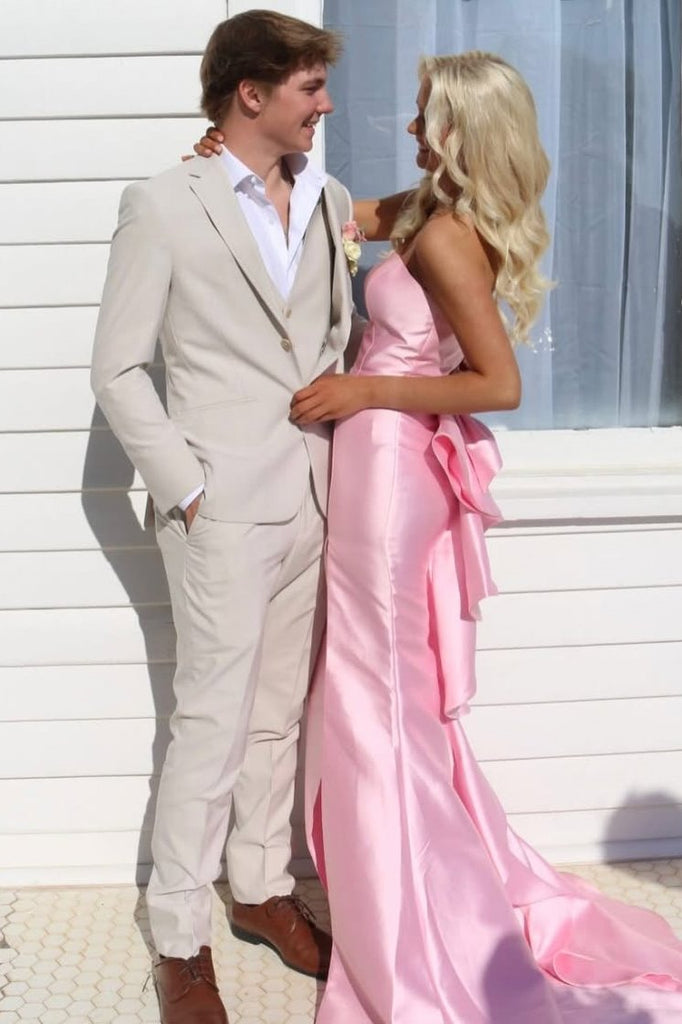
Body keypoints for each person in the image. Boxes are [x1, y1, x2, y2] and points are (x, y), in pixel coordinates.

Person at [197, 51, 682, 1023]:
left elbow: (498, 384)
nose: (412, 129)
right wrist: (234, 162)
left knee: (377, 696)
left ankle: (411, 920)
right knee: (375, 690)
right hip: (379, 455)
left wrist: (362, 388)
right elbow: (334, 212)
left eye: (427, 117)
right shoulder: (427, 209)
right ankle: (397, 883)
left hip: (389, 465)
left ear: (462, 130)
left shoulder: (452, 237)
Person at [91, 10, 365, 1024]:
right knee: (210, 720)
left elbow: (323, 332)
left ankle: (257, 886)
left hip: (312, 496)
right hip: (220, 507)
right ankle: (178, 937)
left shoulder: (330, 198)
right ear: (251, 93)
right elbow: (118, 368)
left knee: (277, 709)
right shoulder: (164, 203)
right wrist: (187, 486)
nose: (325, 104)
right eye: (308, 87)